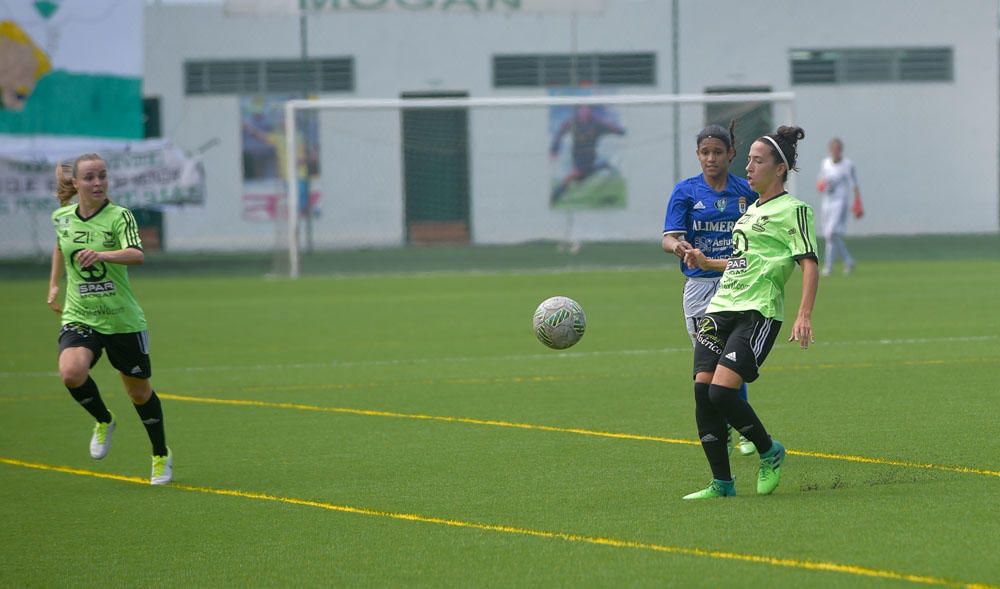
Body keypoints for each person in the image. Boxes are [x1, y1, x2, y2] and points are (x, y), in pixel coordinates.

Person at [680, 126, 819, 499]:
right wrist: (706, 261)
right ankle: (721, 483)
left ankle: (769, 451)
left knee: (724, 393)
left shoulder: (794, 210)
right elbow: (742, 262)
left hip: (757, 312)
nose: (749, 167)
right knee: (702, 390)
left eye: (758, 161)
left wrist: (803, 314)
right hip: (721, 307)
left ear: (779, 169)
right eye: (749, 160)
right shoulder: (749, 212)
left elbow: (808, 263)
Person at [47, 154, 172, 485]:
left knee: (139, 394)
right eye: (89, 177)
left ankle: (160, 454)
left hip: (121, 320)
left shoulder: (120, 217)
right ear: (76, 183)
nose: (98, 182)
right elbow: (61, 247)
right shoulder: (62, 217)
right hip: (80, 314)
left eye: (102, 175)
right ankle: (103, 420)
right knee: (71, 372)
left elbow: (137, 254)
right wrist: (54, 283)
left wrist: (102, 254)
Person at [661, 122, 758, 457]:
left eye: (718, 152)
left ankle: (742, 431)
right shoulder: (686, 192)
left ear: (731, 154)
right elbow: (667, 237)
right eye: (705, 152)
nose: (711, 158)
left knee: (732, 356)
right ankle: (730, 425)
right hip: (699, 287)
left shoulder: (746, 192)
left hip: (735, 282)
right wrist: (676, 246)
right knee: (710, 365)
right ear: (698, 155)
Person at [549, 104, 626, 204]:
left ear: (590, 111)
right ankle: (602, 165)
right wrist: (554, 149)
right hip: (577, 156)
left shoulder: (596, 123)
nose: (584, 112)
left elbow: (613, 129)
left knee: (573, 175)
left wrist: (621, 131)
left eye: (587, 109)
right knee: (579, 178)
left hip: (589, 156)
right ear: (578, 110)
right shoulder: (572, 122)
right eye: (582, 109)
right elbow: (560, 134)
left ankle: (555, 196)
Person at [816, 138, 863, 276]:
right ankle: (848, 261)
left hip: (840, 202)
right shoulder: (825, 163)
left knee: (831, 233)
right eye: (833, 149)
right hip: (827, 202)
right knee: (830, 235)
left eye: (838, 149)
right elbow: (821, 181)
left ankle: (828, 267)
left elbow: (854, 184)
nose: (835, 152)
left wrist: (857, 202)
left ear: (840, 150)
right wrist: (821, 185)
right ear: (830, 150)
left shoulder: (848, 165)